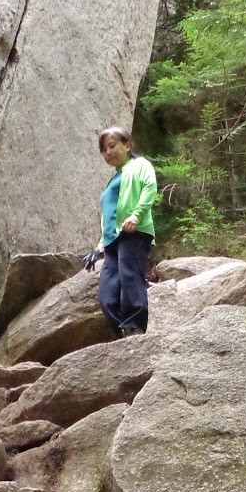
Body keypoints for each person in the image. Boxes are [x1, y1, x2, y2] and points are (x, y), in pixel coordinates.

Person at [83, 126, 158, 336]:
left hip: (134, 233)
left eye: (112, 146)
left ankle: (136, 327)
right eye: (103, 149)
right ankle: (122, 332)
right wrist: (99, 245)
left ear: (127, 145)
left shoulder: (139, 165)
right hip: (112, 241)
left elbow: (150, 187)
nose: (107, 152)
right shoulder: (113, 180)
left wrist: (136, 215)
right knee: (107, 295)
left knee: (130, 277)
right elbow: (110, 214)